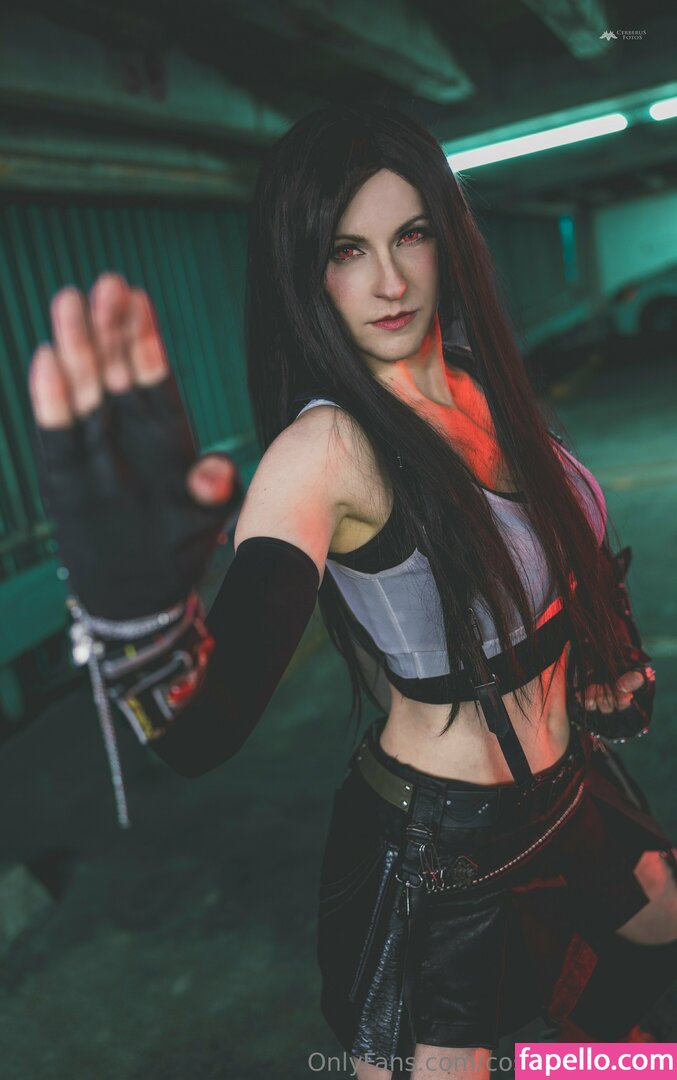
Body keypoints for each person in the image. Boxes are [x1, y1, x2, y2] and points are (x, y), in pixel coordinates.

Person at [28, 103, 677, 1079]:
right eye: (346, 250)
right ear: (304, 271)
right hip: (443, 853)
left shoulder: (478, 379)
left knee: (648, 966)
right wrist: (136, 613)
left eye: (409, 235)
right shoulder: (323, 450)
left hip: (570, 791)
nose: (389, 281)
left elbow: (553, 559)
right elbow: (204, 730)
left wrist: (598, 657)